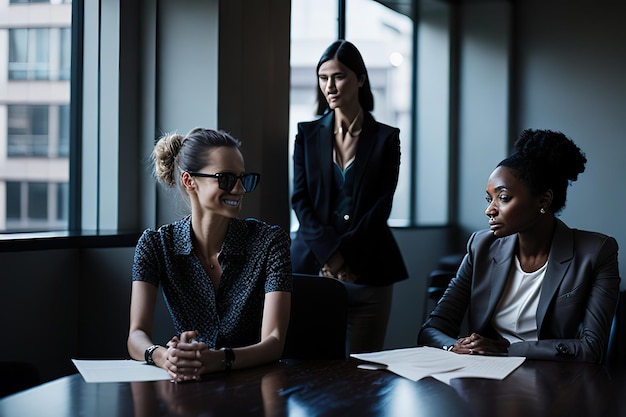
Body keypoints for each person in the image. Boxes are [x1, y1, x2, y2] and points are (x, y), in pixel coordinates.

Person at [418, 129, 621, 364]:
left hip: (555, 382)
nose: (490, 210)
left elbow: (591, 348)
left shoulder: (596, 252)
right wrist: (453, 346)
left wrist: (506, 350)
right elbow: (432, 328)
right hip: (484, 375)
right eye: (489, 199)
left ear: (543, 201)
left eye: (503, 198)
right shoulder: (481, 246)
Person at [127, 128, 292, 381]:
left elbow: (274, 342)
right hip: (188, 385)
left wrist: (218, 360)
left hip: (254, 385)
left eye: (243, 179)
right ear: (189, 181)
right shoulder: (155, 245)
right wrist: (165, 357)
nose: (239, 189)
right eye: (226, 179)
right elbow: (136, 335)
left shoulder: (270, 243)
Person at [290, 40, 408, 353]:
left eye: (339, 76)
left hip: (369, 268)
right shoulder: (306, 134)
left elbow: (381, 205)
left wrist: (348, 257)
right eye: (323, 77)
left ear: (360, 79)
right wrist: (331, 255)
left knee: (366, 371)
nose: (329, 86)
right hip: (313, 268)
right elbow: (300, 199)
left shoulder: (386, 138)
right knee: (310, 371)